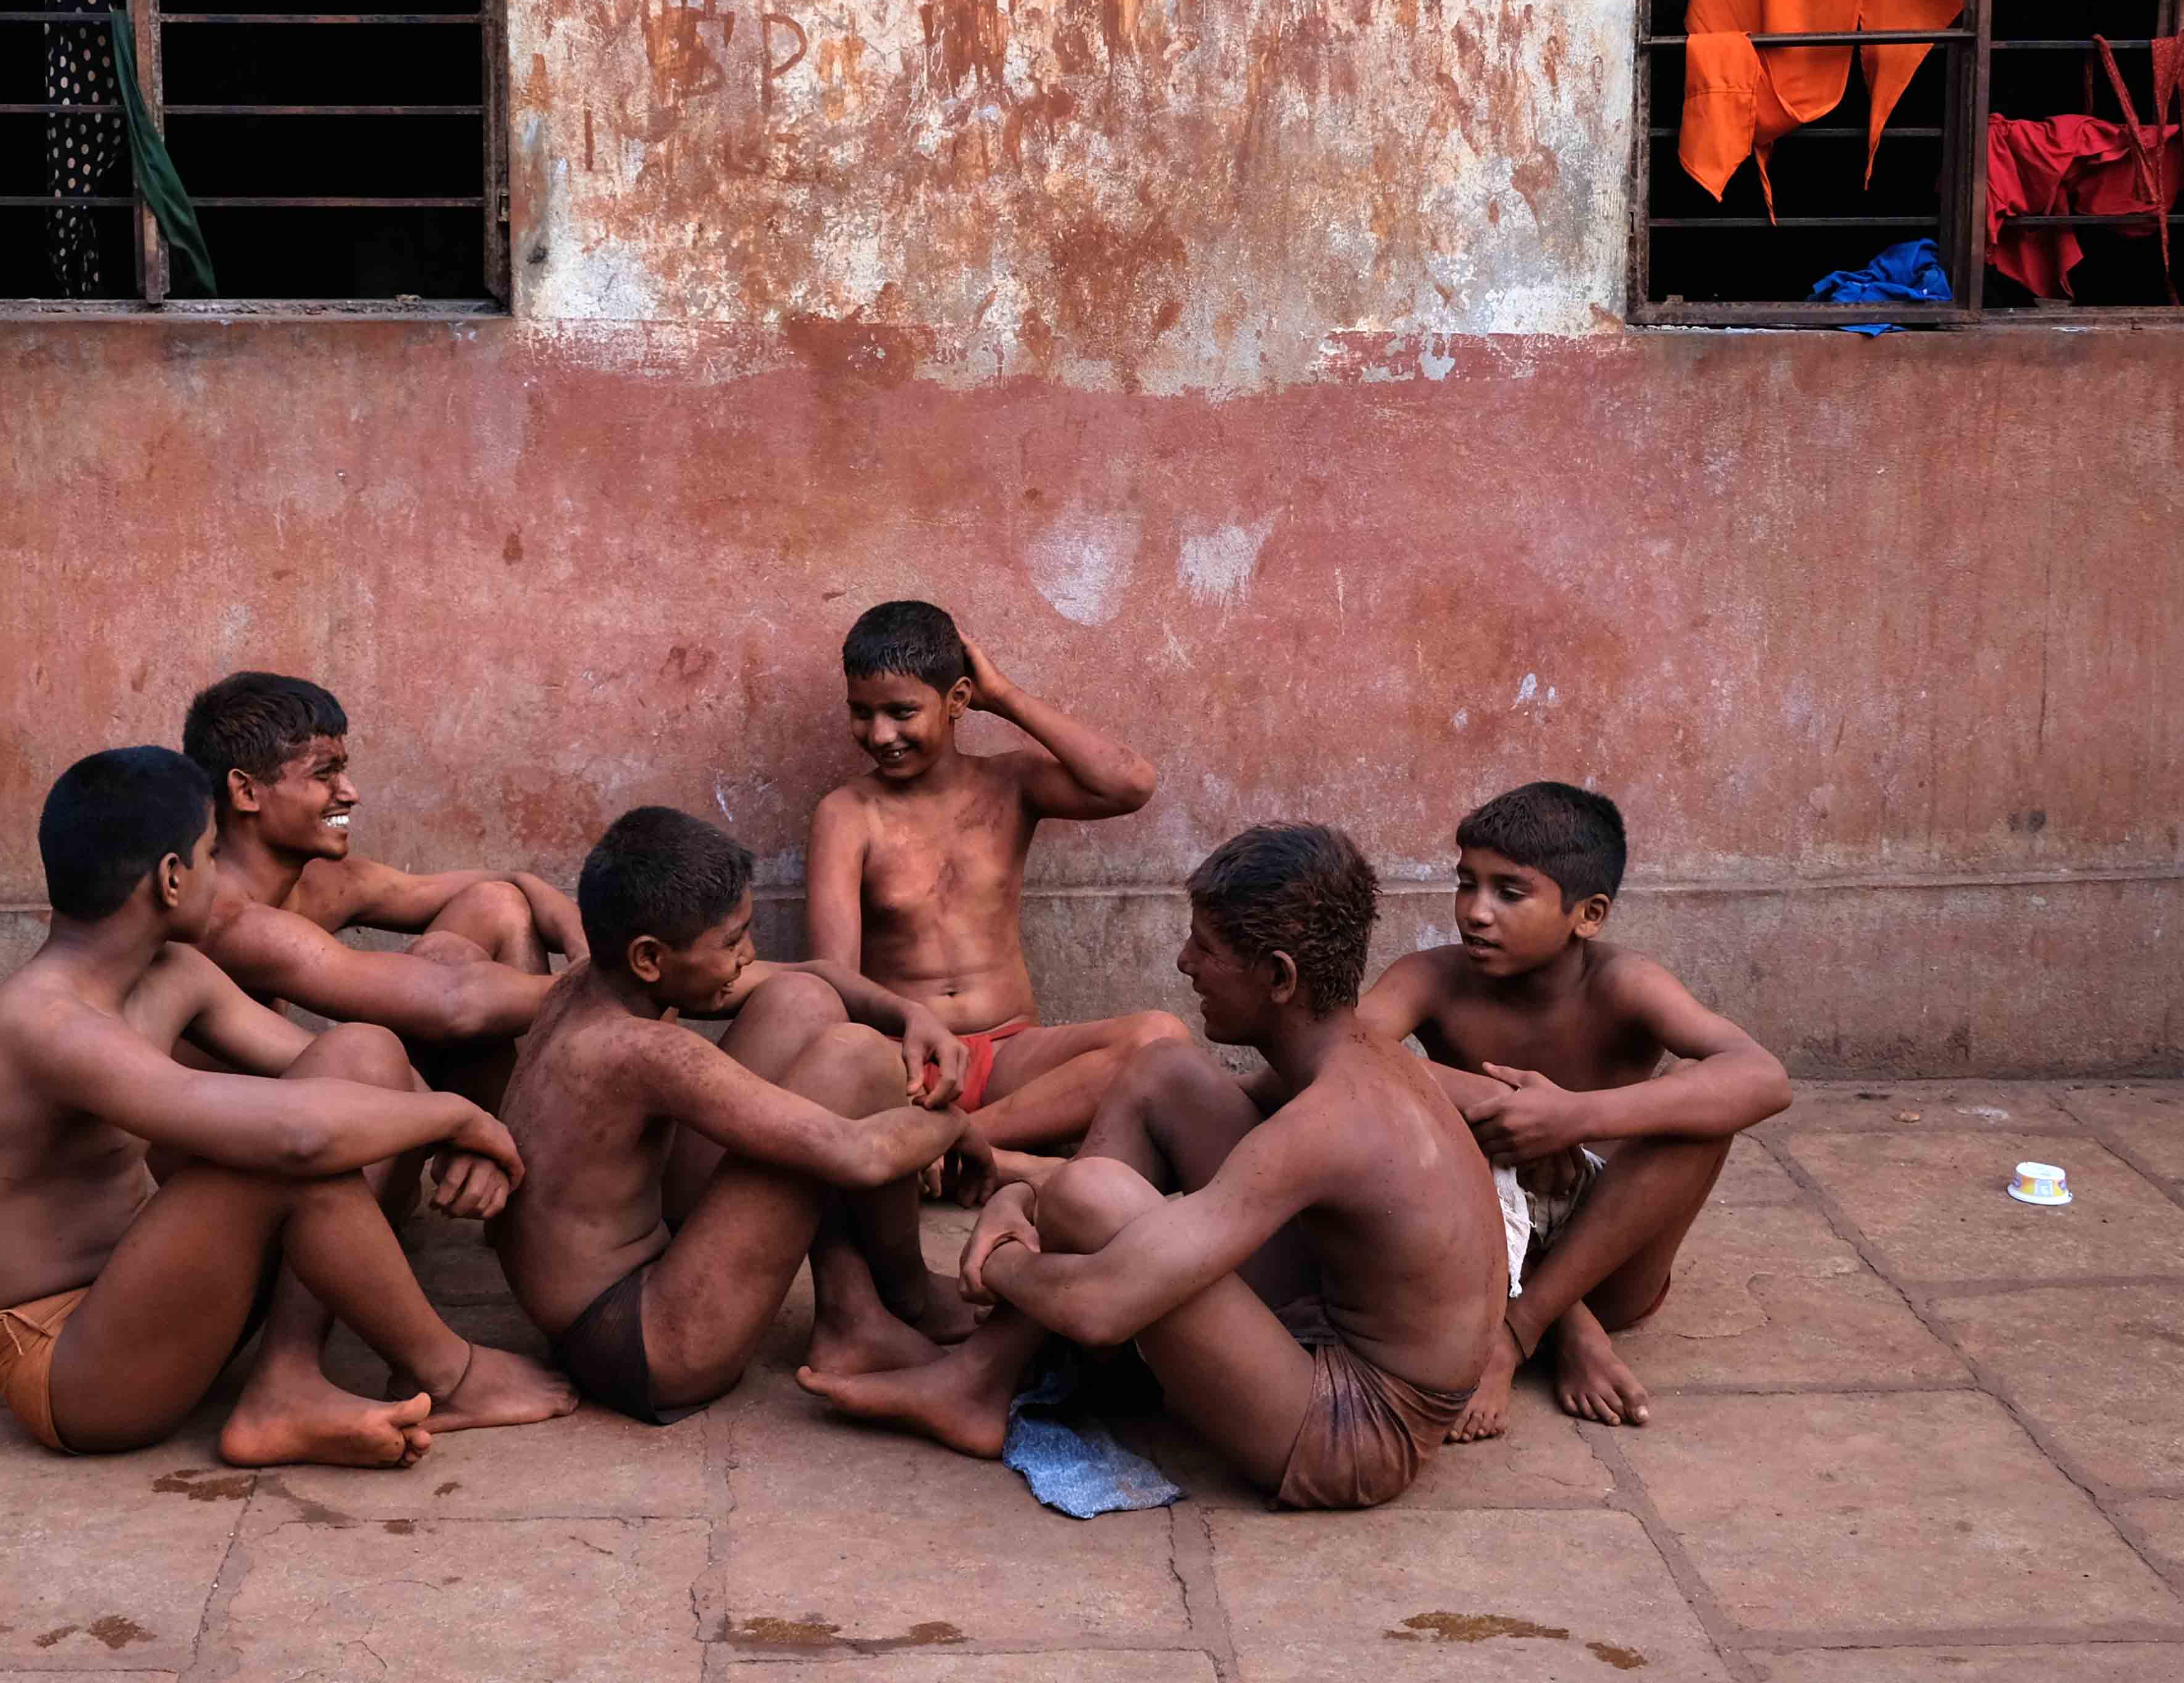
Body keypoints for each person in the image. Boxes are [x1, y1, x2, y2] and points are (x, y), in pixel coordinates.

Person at [803, 823, 1504, 1512]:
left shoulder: (1328, 1119)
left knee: (1091, 1196)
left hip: (1353, 1434)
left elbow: (1101, 1307)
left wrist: (1003, 1261)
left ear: (1279, 977)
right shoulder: (1350, 1054)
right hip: (1328, 1322)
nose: (1183, 963)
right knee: (1161, 1071)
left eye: (1206, 946)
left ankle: (980, 1377)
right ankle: (980, 1383)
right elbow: (1186, 1123)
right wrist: (1019, 1195)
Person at [0, 746, 576, 1467]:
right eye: (210, 853)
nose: (220, 875)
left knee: (362, 1053)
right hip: (73, 1370)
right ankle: (447, 1372)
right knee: (283, 1147)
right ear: (172, 879)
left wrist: (461, 1142)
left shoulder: (170, 972)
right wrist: (461, 1115)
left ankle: (286, 1384)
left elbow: (349, 1079)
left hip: (153, 1298)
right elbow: (295, 1133)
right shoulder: (47, 1026)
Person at [490, 804, 982, 1424]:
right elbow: (859, 1154)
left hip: (639, 1261)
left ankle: (850, 1314)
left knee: (803, 1001)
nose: (748, 955)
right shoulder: (642, 1052)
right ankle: (907, 1296)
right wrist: (956, 1126)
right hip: (644, 1344)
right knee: (856, 1060)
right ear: (649, 958)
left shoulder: (591, 980)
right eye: (731, 942)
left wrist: (912, 1015)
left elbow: (812, 973)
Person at [1355, 780, 1790, 1436]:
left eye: (1509, 892)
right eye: (1465, 883)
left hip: (1608, 1258)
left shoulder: (1623, 983)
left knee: (1702, 1105)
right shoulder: (1430, 977)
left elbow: (1764, 1079)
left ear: (1587, 915)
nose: (1474, 912)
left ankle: (1516, 1333)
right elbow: (1338, 1054)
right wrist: (1492, 1102)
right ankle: (1567, 1328)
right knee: (1383, 1106)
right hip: (1476, 1247)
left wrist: (1574, 1117)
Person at [806, 601, 1183, 1195]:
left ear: (957, 700)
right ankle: (1000, 1162)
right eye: (861, 714)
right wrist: (892, 1062)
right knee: (842, 1060)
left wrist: (1003, 695)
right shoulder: (847, 815)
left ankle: (958, 1149)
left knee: (1162, 1038)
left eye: (902, 712)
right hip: (903, 1066)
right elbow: (834, 982)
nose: (880, 735)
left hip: (1012, 1060)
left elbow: (1129, 783)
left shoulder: (1010, 784)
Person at [185, 670, 586, 974]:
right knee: (368, 1047)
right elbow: (456, 1005)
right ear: (247, 792)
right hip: (281, 1082)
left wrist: (585, 949)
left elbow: (506, 886)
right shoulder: (221, 917)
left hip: (318, 1077)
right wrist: (583, 998)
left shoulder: (327, 884)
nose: (350, 793)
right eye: (324, 774)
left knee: (497, 904)